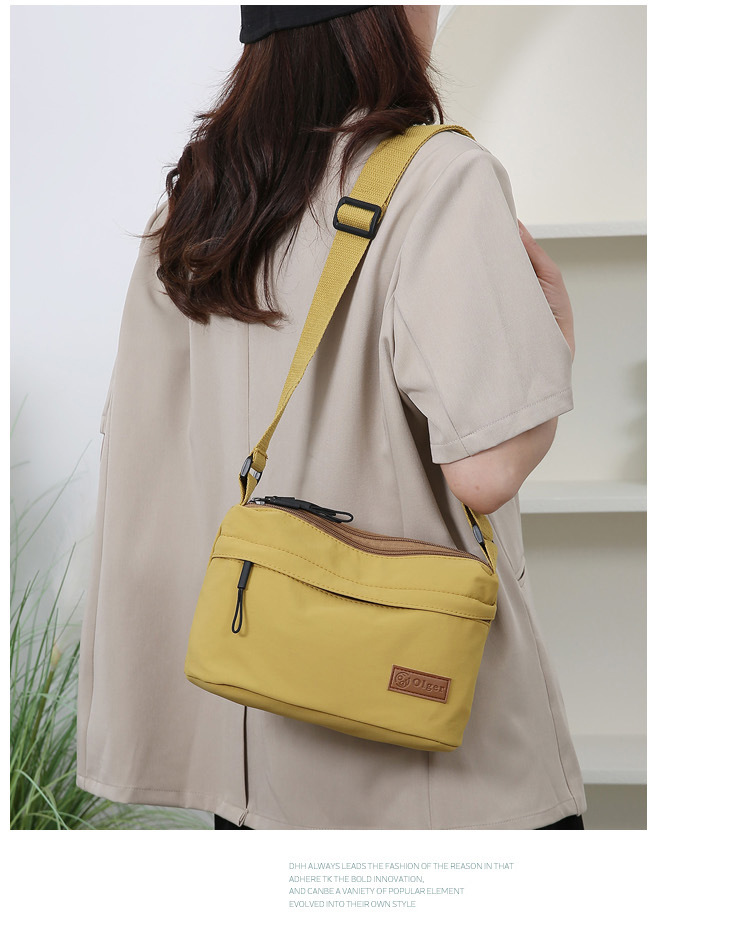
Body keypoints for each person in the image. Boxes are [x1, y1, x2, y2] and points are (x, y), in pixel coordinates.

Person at [76, 5, 586, 830]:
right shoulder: (436, 179)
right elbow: (488, 470)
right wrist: (556, 336)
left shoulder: (197, 202)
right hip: (430, 772)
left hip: (251, 755)